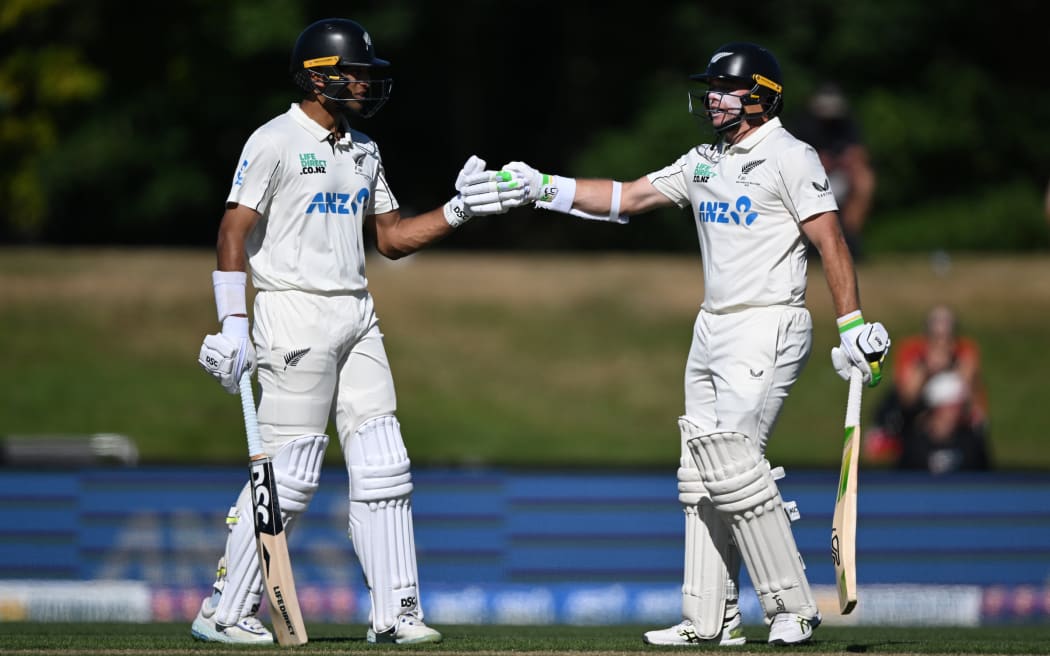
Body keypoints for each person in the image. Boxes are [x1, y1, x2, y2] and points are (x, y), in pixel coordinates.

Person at [500, 42, 890, 646]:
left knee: (735, 467)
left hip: (769, 322)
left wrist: (852, 325)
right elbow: (628, 197)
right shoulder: (705, 159)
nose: (711, 97)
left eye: (724, 87)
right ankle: (711, 619)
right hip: (711, 325)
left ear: (759, 95)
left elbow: (831, 242)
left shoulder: (791, 155)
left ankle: (793, 606)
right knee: (700, 472)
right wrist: (539, 186)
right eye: (709, 87)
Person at [193, 18, 525, 645]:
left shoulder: (364, 148)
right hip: (293, 313)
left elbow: (393, 239)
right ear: (317, 76)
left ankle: (395, 614)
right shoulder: (274, 140)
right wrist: (234, 323)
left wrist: (461, 209)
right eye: (355, 73)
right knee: (291, 472)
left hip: (357, 312)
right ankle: (222, 610)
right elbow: (232, 230)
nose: (365, 84)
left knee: (384, 465)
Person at [869, 304, 989, 467]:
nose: (942, 343)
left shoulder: (965, 359)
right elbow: (906, 399)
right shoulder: (916, 362)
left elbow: (976, 410)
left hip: (958, 435)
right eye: (936, 337)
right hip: (920, 435)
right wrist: (927, 368)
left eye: (947, 337)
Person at [790, 82, 876, 260]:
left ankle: (850, 238)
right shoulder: (803, 125)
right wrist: (817, 162)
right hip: (809, 180)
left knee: (864, 179)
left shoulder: (846, 124)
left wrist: (848, 159)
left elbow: (860, 154)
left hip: (838, 178)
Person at [895, 370, 992, 473]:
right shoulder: (915, 445)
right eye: (952, 406)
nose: (957, 411)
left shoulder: (972, 442)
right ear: (936, 408)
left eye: (960, 406)